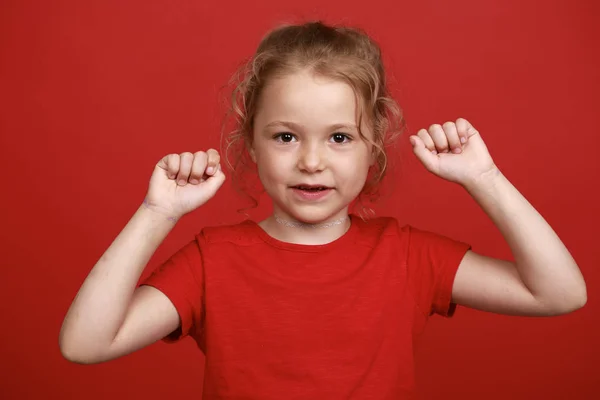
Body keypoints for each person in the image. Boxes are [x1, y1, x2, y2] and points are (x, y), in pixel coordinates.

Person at [59, 21, 587, 399]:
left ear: (374, 143)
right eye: (286, 136)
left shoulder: (406, 256)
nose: (311, 162)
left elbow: (559, 293)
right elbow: (84, 344)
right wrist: (157, 212)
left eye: (339, 137)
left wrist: (484, 178)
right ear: (251, 143)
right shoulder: (211, 261)